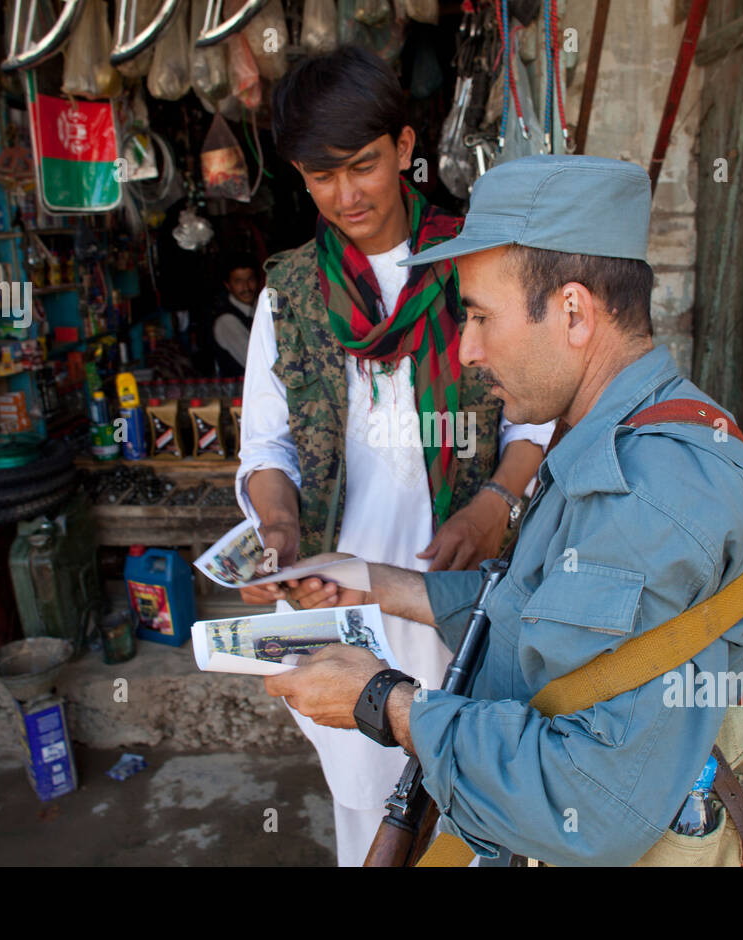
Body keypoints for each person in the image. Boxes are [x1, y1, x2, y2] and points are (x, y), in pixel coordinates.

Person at [256, 154, 743, 866]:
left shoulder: (651, 492)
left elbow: (587, 803)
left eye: (479, 316)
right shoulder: (613, 431)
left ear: (572, 311)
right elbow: (535, 606)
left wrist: (385, 703)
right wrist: (378, 584)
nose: (467, 349)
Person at [234, 47, 553, 866]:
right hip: (341, 605)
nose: (346, 196)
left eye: (364, 166)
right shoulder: (291, 296)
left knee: (480, 806)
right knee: (368, 813)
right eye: (319, 175)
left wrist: (491, 510)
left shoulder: (475, 268)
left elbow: (535, 419)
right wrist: (275, 526)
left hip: (467, 595)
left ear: (406, 145)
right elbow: (267, 445)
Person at [212, 252, 261, 374]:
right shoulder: (226, 320)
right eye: (238, 282)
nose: (246, 288)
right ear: (228, 285)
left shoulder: (264, 307)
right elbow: (255, 363)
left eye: (250, 280)